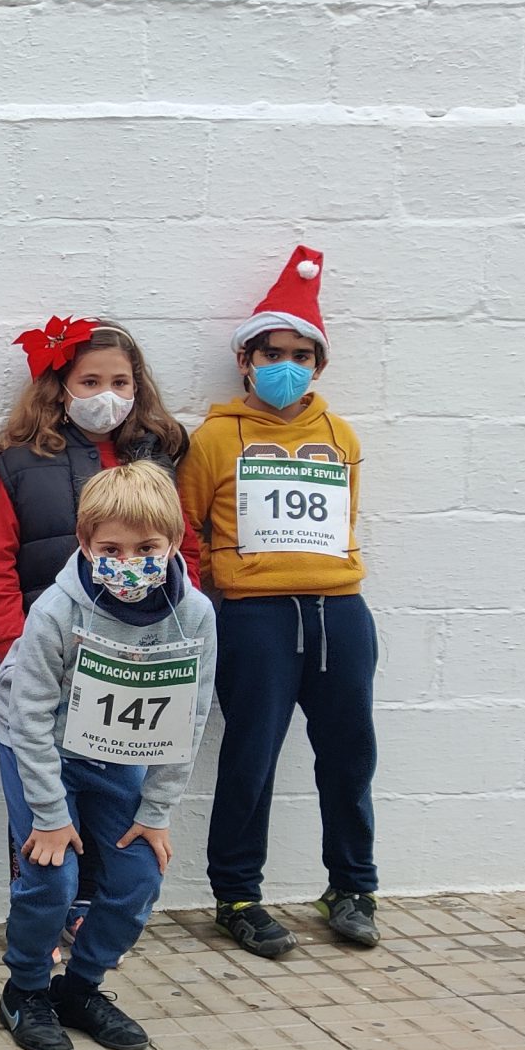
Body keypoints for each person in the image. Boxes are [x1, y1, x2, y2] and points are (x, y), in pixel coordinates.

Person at [181, 246, 380, 956]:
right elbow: (186, 529)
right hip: (256, 618)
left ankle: (352, 887)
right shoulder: (214, 437)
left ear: (318, 365)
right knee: (251, 759)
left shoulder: (340, 434)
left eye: (301, 355)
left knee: (350, 757)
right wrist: (213, 599)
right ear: (246, 359)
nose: (285, 366)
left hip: (340, 613)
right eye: (272, 353)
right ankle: (237, 894)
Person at [0, 462, 218, 1050]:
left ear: (174, 543)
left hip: (119, 754)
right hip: (40, 747)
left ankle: (80, 988)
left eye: (147, 548)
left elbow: (188, 718)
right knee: (53, 875)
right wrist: (50, 815)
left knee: (140, 875)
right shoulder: (55, 612)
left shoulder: (196, 616)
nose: (129, 561)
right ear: (85, 544)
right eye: (111, 549)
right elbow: (29, 716)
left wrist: (157, 811)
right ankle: (25, 989)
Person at [0, 316, 198, 675]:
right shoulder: (20, 467)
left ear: (136, 387)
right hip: (45, 652)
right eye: (90, 382)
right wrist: (14, 649)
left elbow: (184, 549)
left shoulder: (155, 460)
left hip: (143, 654)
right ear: (60, 387)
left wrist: (182, 624)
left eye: (119, 382)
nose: (106, 395)